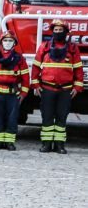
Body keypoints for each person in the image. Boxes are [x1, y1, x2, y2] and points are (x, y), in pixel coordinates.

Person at [31, 19, 83, 154]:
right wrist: (35, 84)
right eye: (55, 30)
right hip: (47, 88)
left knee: (61, 117)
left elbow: (78, 69)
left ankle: (60, 145)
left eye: (60, 30)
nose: (58, 32)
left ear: (66, 32)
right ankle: (46, 145)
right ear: (52, 32)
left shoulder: (72, 48)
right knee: (47, 117)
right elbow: (36, 66)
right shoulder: (44, 46)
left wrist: (77, 87)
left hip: (65, 89)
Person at [0, 30, 29, 150]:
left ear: (14, 43)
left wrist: (23, 93)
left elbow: (25, 78)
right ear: (1, 43)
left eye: (10, 40)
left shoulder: (20, 59)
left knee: (12, 118)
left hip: (13, 95)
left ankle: (9, 142)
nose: (7, 43)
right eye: (5, 40)